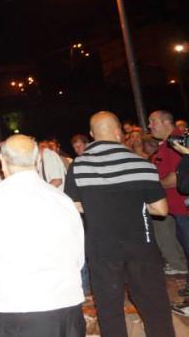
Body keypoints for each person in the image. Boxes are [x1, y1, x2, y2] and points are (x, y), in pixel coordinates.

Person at [0, 135, 85, 337]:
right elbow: (77, 255)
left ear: (2, 163)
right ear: (37, 161)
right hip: (66, 306)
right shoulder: (61, 200)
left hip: (17, 309)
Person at [64, 111, 174, 336]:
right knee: (154, 304)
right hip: (141, 245)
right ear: (118, 132)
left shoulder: (79, 167)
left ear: (93, 134)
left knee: (109, 308)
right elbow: (161, 210)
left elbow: (73, 207)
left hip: (102, 248)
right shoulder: (142, 164)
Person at [150, 110, 189, 273]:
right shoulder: (167, 143)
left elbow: (176, 177)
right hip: (176, 209)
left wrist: (153, 187)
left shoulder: (176, 141)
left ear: (167, 123)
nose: (150, 126)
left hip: (183, 208)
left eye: (153, 122)